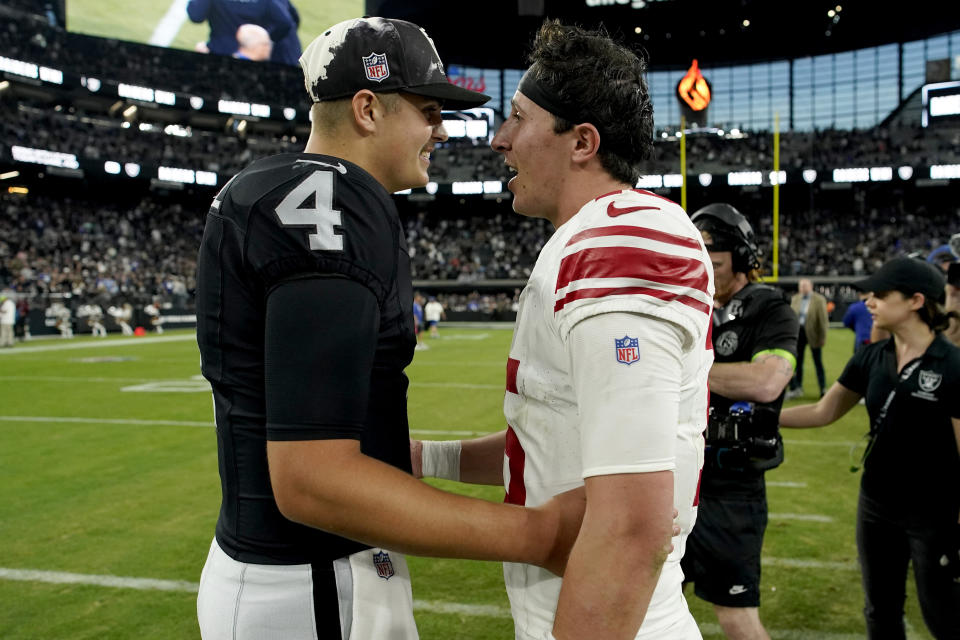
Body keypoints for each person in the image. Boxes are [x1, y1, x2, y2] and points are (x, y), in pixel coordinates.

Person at [194, 17, 589, 640]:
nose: (441, 130)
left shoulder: (267, 186)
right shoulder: (334, 201)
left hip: (294, 572)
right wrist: (538, 534)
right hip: (311, 576)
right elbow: (312, 480)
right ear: (368, 108)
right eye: (429, 110)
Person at [412, 20, 714, 639]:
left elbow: (634, 523)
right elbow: (553, 445)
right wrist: (423, 458)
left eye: (518, 118)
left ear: (581, 142)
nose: (500, 140)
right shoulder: (589, 237)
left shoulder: (621, 238)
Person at [780, 256, 960, 639]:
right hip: (876, 506)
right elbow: (823, 411)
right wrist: (763, 416)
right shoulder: (871, 356)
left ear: (915, 301)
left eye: (880, 294)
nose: (868, 301)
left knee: (944, 613)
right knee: (880, 612)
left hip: (933, 512)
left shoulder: (953, 364)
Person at [680, 203, 798, 640]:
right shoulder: (687, 306)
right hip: (674, 475)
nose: (703, 264)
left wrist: (676, 371)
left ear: (743, 258)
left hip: (731, 486)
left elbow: (767, 382)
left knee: (735, 614)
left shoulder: (770, 311)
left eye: (712, 254)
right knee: (646, 599)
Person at [186, 0, 295, 59]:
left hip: (218, 53)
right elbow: (285, 22)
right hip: (252, 57)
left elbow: (196, 16)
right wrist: (263, 40)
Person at [786, 278, 828, 399]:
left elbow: (823, 320)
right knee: (797, 362)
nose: (802, 288)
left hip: (813, 333)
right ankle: (797, 388)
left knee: (817, 362)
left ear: (811, 286)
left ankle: (823, 388)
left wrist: (822, 336)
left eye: (805, 286)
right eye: (801, 286)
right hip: (798, 333)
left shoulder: (819, 299)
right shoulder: (795, 299)